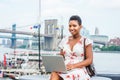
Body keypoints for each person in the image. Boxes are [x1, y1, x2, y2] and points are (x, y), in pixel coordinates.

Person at [50, 15, 93, 80]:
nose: (71, 28)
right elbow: (61, 57)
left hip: (79, 68)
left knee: (70, 76)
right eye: (70, 26)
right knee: (54, 73)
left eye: (74, 26)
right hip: (65, 68)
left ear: (80, 27)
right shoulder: (64, 40)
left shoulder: (86, 41)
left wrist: (73, 66)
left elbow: (89, 60)